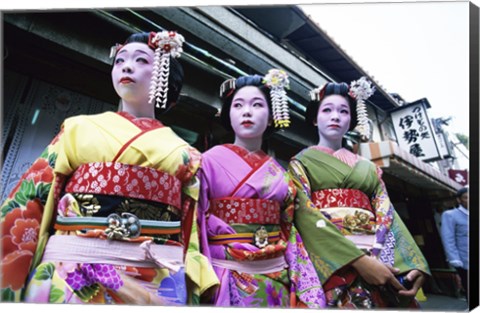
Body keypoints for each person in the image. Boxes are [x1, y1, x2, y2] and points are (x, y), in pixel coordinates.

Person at [1, 31, 218, 304]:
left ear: (163, 72)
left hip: (154, 274)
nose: (126, 66)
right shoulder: (76, 128)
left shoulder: (187, 154)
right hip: (72, 269)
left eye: (141, 60)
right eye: (120, 61)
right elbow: (33, 198)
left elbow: (189, 229)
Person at [288, 79, 430, 308]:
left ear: (351, 120)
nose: (335, 116)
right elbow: (305, 213)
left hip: (377, 255)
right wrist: (356, 259)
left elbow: (386, 212)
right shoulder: (300, 162)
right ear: (315, 119)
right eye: (327, 110)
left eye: (343, 111)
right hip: (332, 257)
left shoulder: (369, 167)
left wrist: (412, 262)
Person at [197, 70, 325, 308]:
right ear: (228, 115)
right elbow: (196, 221)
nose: (247, 111)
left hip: (275, 273)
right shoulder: (207, 161)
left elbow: (288, 229)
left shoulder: (280, 173)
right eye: (238, 105)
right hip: (224, 272)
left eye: (257, 105)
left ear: (270, 116)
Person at [440, 186, 469, 302]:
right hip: (465, 260)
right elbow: (448, 238)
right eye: (466, 198)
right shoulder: (450, 215)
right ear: (459, 200)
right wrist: (454, 259)